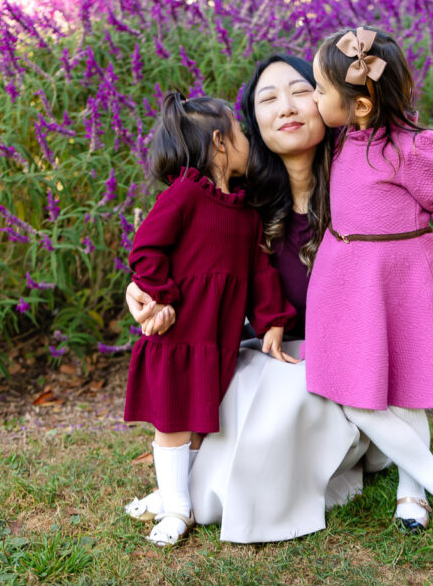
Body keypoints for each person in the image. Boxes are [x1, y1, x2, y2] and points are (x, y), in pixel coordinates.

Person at [125, 55, 433, 542]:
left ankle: (407, 478)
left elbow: (421, 244)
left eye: (300, 91)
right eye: (268, 99)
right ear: (248, 130)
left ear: (329, 102)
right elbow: (176, 255)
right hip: (279, 356)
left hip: (358, 371)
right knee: (250, 387)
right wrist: (141, 289)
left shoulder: (369, 180)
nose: (287, 108)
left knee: (289, 397)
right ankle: (187, 497)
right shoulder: (239, 205)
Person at [304, 26, 433, 531]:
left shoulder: (415, 149)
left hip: (402, 279)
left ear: (359, 106)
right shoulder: (343, 140)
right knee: (355, 396)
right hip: (349, 281)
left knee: (406, 392)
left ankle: (413, 492)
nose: (314, 99)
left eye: (319, 90)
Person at [123, 92, 295, 546]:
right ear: (220, 143)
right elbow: (146, 248)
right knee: (173, 423)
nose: (246, 140)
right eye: (239, 132)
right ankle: (179, 506)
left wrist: (273, 319)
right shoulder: (183, 195)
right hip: (180, 333)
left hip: (216, 339)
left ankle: (173, 492)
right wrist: (161, 297)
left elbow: (260, 273)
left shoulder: (246, 215)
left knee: (200, 421)